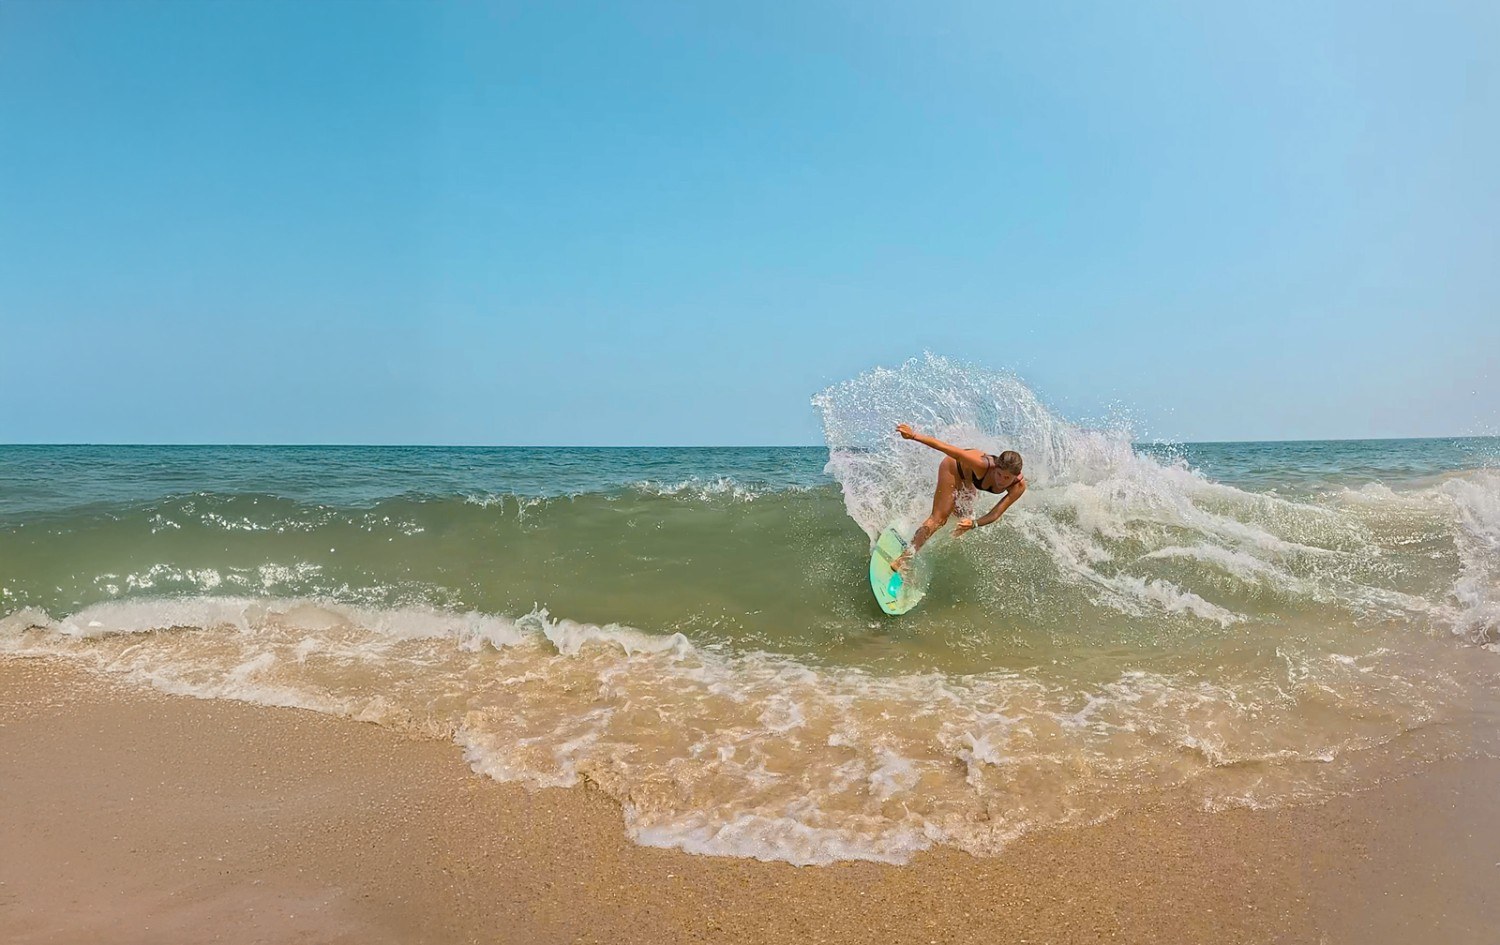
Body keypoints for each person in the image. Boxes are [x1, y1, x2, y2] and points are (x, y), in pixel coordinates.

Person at [891, 423, 1026, 574]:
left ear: (1016, 476)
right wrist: (913, 435)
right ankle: (903, 559)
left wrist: (974, 523)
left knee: (963, 516)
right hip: (953, 467)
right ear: (995, 467)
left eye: (1007, 478)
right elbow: (946, 448)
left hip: (969, 480)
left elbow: (996, 513)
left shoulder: (1018, 487)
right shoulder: (981, 464)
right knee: (939, 519)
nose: (1001, 480)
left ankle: (920, 529)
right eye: (999, 474)